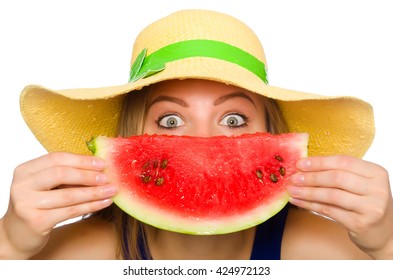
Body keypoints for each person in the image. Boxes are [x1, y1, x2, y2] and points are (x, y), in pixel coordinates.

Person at [0, 9, 392, 260]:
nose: (204, 144)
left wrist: (387, 244)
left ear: (273, 133)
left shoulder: (322, 251)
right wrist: (10, 244)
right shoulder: (86, 254)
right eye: (170, 121)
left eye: (234, 119)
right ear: (128, 135)